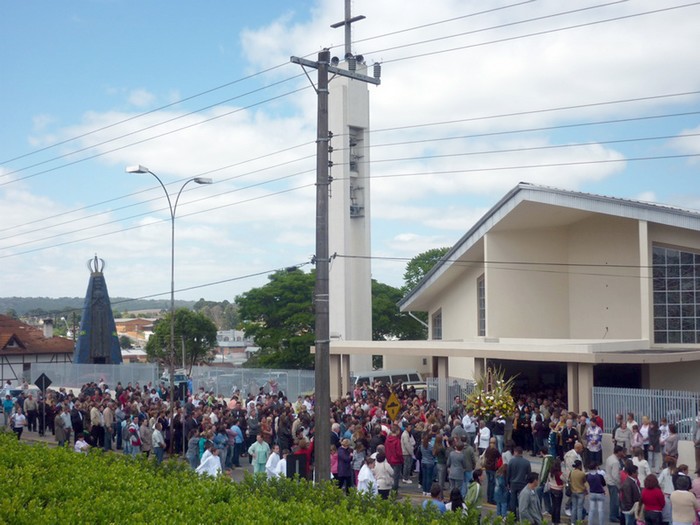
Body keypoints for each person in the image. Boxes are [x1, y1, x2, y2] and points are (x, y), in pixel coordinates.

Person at [507, 446, 532, 516]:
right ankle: (522, 515)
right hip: (523, 484)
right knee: (522, 500)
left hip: (513, 483)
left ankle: (513, 516)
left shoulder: (511, 461)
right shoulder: (527, 462)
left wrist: (507, 483)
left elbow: (508, 473)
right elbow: (529, 474)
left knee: (513, 500)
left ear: (516, 452)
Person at [605, 446, 626, 524]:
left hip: (609, 481)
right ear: (619, 452)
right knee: (615, 501)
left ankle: (615, 514)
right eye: (621, 452)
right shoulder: (615, 462)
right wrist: (620, 485)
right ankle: (613, 516)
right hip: (613, 483)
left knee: (613, 500)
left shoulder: (609, 458)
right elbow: (615, 475)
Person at [547, 459, 565, 525]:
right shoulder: (559, 473)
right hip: (558, 490)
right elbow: (564, 479)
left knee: (554, 505)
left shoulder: (550, 472)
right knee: (558, 506)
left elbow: (548, 480)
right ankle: (557, 521)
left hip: (552, 489)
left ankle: (553, 520)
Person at [569, 459, 587, 523]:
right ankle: (579, 522)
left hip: (573, 491)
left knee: (574, 508)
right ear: (579, 466)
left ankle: (572, 522)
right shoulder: (582, 473)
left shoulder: (571, 472)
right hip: (581, 492)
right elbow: (584, 482)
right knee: (580, 508)